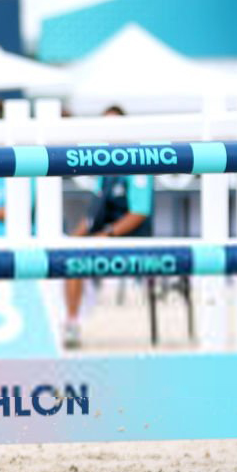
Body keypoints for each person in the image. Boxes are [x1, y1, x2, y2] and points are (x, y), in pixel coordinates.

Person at [63, 105, 152, 346]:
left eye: (113, 125)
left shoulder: (137, 162)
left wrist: (105, 235)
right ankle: (68, 321)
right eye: (104, 126)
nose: (108, 132)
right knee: (64, 256)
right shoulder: (104, 168)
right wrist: (70, 241)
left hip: (130, 242)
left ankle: (72, 323)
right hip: (105, 239)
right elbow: (92, 216)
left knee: (75, 261)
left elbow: (138, 213)